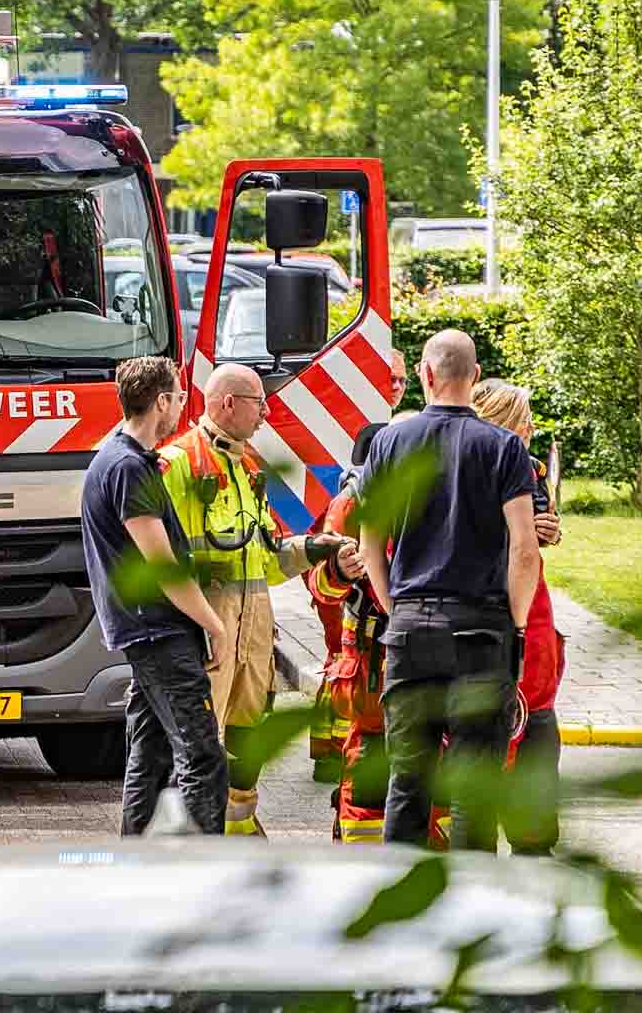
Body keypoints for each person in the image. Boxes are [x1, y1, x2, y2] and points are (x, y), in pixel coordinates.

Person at [357, 329, 541, 851]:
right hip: (482, 630)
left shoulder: (391, 441)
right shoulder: (504, 448)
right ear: (475, 377)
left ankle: (402, 901)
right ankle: (471, 907)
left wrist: (397, 606)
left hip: (412, 629)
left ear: (425, 375)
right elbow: (525, 548)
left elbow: (370, 543)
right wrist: (518, 622)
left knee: (408, 779)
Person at [160, 362, 352, 836]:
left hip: (253, 626)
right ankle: (183, 841)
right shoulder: (178, 463)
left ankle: (238, 828)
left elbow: (263, 562)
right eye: (258, 403)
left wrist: (313, 548)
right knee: (197, 740)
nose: (266, 413)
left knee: (248, 734)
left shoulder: (246, 468)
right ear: (228, 403)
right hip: (210, 626)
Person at [82, 356, 230, 836]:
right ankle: (202, 876)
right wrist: (214, 624)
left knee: (150, 753)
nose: (183, 408)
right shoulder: (128, 467)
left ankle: (136, 861)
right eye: (181, 397)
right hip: (158, 630)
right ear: (161, 400)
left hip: (145, 630)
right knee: (203, 755)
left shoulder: (113, 457)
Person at [471, 378, 566, 855]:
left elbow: (542, 528)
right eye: (523, 422)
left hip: (532, 603)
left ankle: (532, 834)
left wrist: (547, 531)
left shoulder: (530, 469)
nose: (529, 430)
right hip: (495, 602)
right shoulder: (470, 467)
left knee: (538, 713)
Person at [308, 349, 410, 781]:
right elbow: (322, 583)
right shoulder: (356, 499)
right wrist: (339, 572)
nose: (395, 388)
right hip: (371, 644)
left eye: (401, 381)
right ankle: (329, 751)